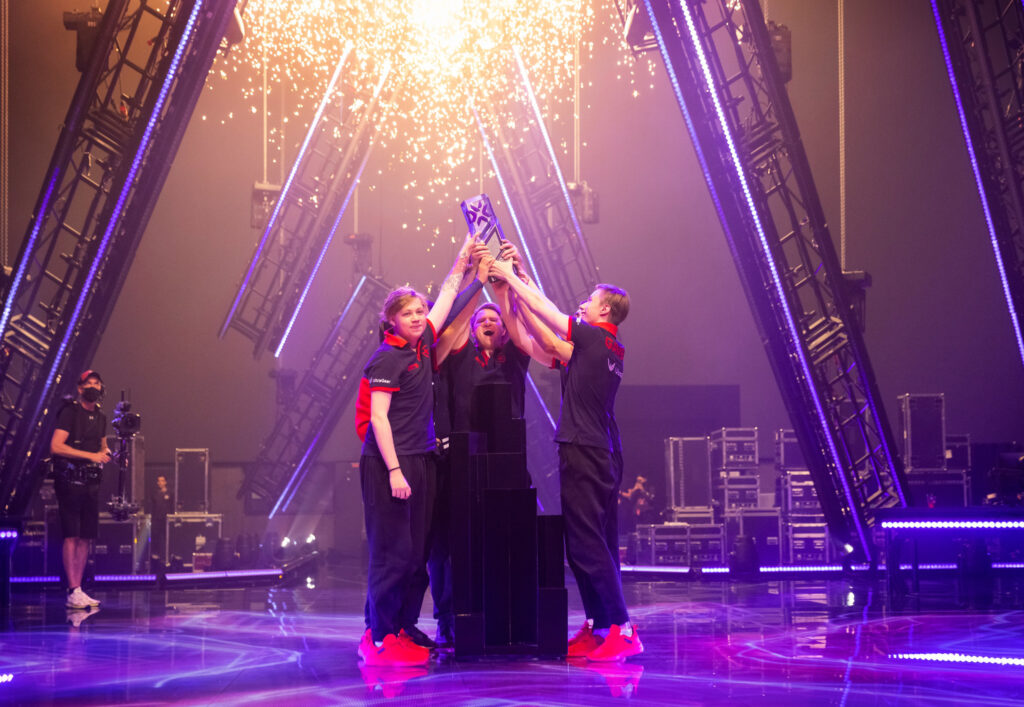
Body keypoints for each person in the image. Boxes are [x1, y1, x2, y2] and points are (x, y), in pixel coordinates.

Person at [490, 256, 641, 662]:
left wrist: (512, 279)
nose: (583, 305)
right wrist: (511, 292)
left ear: (604, 310)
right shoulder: (598, 347)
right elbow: (534, 340)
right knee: (591, 544)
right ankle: (600, 624)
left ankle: (623, 629)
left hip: (586, 449)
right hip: (603, 449)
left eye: (590, 301)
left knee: (587, 544)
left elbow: (548, 313)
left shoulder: (593, 336)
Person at [353, 234, 481, 666]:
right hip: (392, 463)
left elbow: (448, 296)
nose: (418, 317)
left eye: (419, 311)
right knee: (391, 554)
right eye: (408, 313)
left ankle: (401, 629)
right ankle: (378, 638)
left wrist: (469, 263)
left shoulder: (421, 343)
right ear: (390, 320)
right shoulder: (386, 359)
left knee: (414, 555)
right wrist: (394, 470)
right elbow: (378, 418)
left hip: (421, 459)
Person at [50, 370, 112, 610]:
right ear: (80, 387)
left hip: (91, 483)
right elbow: (56, 446)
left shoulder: (101, 417)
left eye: (97, 383)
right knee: (72, 535)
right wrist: (91, 456)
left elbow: (103, 449)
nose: (93, 386)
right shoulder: (70, 413)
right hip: (69, 480)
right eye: (89, 383)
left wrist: (114, 457)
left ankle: (79, 589)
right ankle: (72, 589)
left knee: (86, 536)